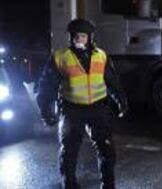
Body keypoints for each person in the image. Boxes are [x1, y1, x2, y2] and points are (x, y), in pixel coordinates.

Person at [36, 18, 128, 189]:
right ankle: (69, 184)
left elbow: (112, 81)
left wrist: (121, 100)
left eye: (83, 36)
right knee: (69, 151)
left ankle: (108, 185)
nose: (80, 40)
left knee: (107, 150)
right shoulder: (60, 57)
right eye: (76, 36)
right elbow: (46, 86)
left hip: (98, 108)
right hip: (72, 109)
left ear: (91, 37)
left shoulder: (101, 55)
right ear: (71, 37)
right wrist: (45, 110)